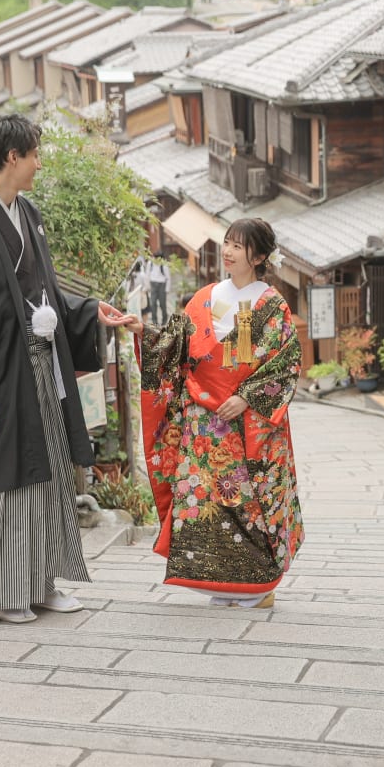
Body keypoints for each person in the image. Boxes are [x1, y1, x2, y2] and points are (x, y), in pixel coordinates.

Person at [0, 114, 126, 624]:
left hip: (40, 371)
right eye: (35, 154)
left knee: (48, 474)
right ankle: (0, 592)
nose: (40, 163)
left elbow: (45, 293)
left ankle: (39, 582)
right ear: (12, 157)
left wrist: (89, 311)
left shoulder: (29, 213)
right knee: (4, 481)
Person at [117, 218, 303, 608]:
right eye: (227, 243)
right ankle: (219, 583)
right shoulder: (206, 297)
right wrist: (141, 331)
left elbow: (285, 362)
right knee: (203, 502)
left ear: (260, 256)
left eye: (239, 246)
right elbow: (175, 346)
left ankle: (257, 585)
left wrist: (249, 397)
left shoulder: (270, 304)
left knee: (248, 503)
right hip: (203, 422)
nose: (229, 251)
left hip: (246, 425)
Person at [145, 255, 170, 326]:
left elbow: (168, 277)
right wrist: (148, 287)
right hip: (153, 284)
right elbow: (147, 275)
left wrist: (167, 289)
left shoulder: (164, 264)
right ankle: (154, 321)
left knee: (162, 304)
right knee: (153, 304)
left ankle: (164, 320)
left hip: (162, 285)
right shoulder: (150, 263)